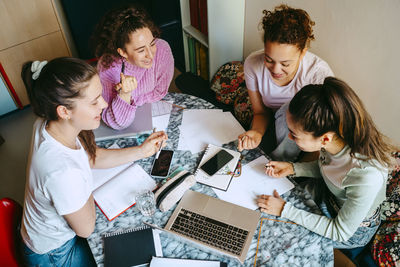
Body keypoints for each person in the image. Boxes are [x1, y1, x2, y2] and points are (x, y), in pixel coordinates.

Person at [19, 58, 167, 266]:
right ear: (64, 111)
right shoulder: (62, 173)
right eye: (95, 101)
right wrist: (83, 181)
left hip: (42, 233)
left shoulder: (47, 123)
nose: (104, 104)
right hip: (54, 253)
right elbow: (86, 228)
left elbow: (89, 157)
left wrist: (141, 151)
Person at [257, 77, 397, 248]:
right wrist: (293, 168)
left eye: (294, 134)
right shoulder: (335, 139)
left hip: (350, 231)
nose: (289, 137)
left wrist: (285, 210)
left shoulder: (367, 176)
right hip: (327, 195)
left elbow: (340, 232)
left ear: (324, 139)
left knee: (284, 236)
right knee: (265, 208)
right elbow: (330, 168)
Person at [237, 4, 333, 161]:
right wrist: (256, 132)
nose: (276, 70)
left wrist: (296, 169)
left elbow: (322, 134)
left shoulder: (318, 74)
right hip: (272, 125)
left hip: (307, 138)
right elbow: (260, 113)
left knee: (289, 108)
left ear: (303, 53)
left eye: (286, 64)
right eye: (268, 60)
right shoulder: (252, 64)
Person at [92, 4, 174, 130]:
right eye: (141, 50)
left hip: (154, 115)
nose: (150, 55)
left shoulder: (162, 49)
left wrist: (132, 100)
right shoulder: (108, 67)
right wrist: (125, 95)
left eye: (152, 44)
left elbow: (160, 91)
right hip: (125, 127)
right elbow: (114, 121)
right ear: (123, 52)